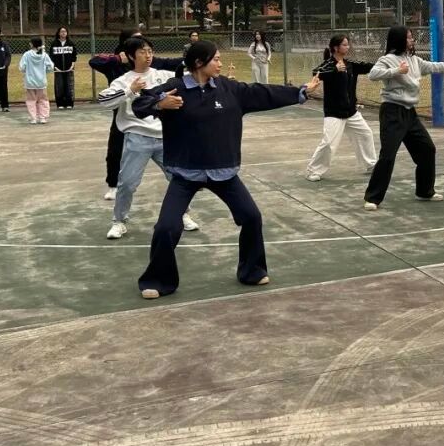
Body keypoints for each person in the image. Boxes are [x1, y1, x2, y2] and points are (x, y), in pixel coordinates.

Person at [131, 41, 320, 299]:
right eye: (216, 59)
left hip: (224, 173)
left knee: (251, 217)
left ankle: (252, 271)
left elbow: (263, 93)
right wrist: (159, 104)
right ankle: (157, 280)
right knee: (166, 227)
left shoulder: (229, 89)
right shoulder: (174, 89)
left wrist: (301, 91)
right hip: (186, 174)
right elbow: (140, 104)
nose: (221, 64)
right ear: (199, 63)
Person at [98, 36, 200, 239]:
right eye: (142, 52)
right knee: (127, 183)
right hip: (138, 137)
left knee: (179, 178)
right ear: (131, 56)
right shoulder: (123, 81)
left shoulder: (163, 75)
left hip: (166, 137)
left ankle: (182, 214)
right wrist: (130, 90)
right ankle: (119, 221)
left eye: (150, 51)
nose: (148, 55)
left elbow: (192, 79)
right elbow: (104, 100)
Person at [363, 25, 444, 210]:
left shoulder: (415, 60)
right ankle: (373, 198)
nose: (412, 40)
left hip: (410, 113)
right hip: (392, 112)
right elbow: (373, 75)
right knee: (388, 155)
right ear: (399, 40)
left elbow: (434, 66)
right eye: (409, 37)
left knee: (427, 150)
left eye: (412, 37)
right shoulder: (387, 59)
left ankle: (425, 191)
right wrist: (396, 71)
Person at [90, 30, 183, 200]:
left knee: (171, 157)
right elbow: (94, 61)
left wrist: (190, 58)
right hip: (124, 112)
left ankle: (182, 188)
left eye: (148, 49)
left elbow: (172, 64)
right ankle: (113, 185)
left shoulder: (150, 61)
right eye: (138, 43)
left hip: (152, 115)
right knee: (115, 150)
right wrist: (119, 59)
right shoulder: (116, 62)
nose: (146, 53)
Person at [305, 34, 377, 181]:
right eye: (344, 44)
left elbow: (368, 66)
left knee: (365, 134)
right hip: (334, 112)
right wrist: (335, 70)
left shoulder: (350, 64)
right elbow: (316, 73)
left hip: (351, 112)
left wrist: (384, 62)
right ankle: (313, 171)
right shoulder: (328, 64)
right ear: (335, 47)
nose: (347, 47)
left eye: (347, 44)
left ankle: (371, 165)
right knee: (328, 143)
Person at [18, 36, 55, 124]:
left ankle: (33, 118)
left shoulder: (27, 55)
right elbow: (50, 66)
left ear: (32, 44)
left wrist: (26, 72)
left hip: (30, 81)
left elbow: (22, 67)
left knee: (31, 100)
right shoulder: (44, 55)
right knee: (43, 100)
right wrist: (44, 72)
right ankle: (43, 117)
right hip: (41, 81)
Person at [48, 26, 78, 109]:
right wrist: (55, 66)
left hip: (69, 68)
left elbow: (74, 55)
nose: (63, 33)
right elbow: (51, 56)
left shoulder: (71, 43)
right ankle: (60, 103)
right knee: (59, 86)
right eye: (61, 31)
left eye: (65, 31)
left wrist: (72, 65)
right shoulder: (54, 44)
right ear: (58, 33)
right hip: (58, 69)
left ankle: (69, 103)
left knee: (69, 86)